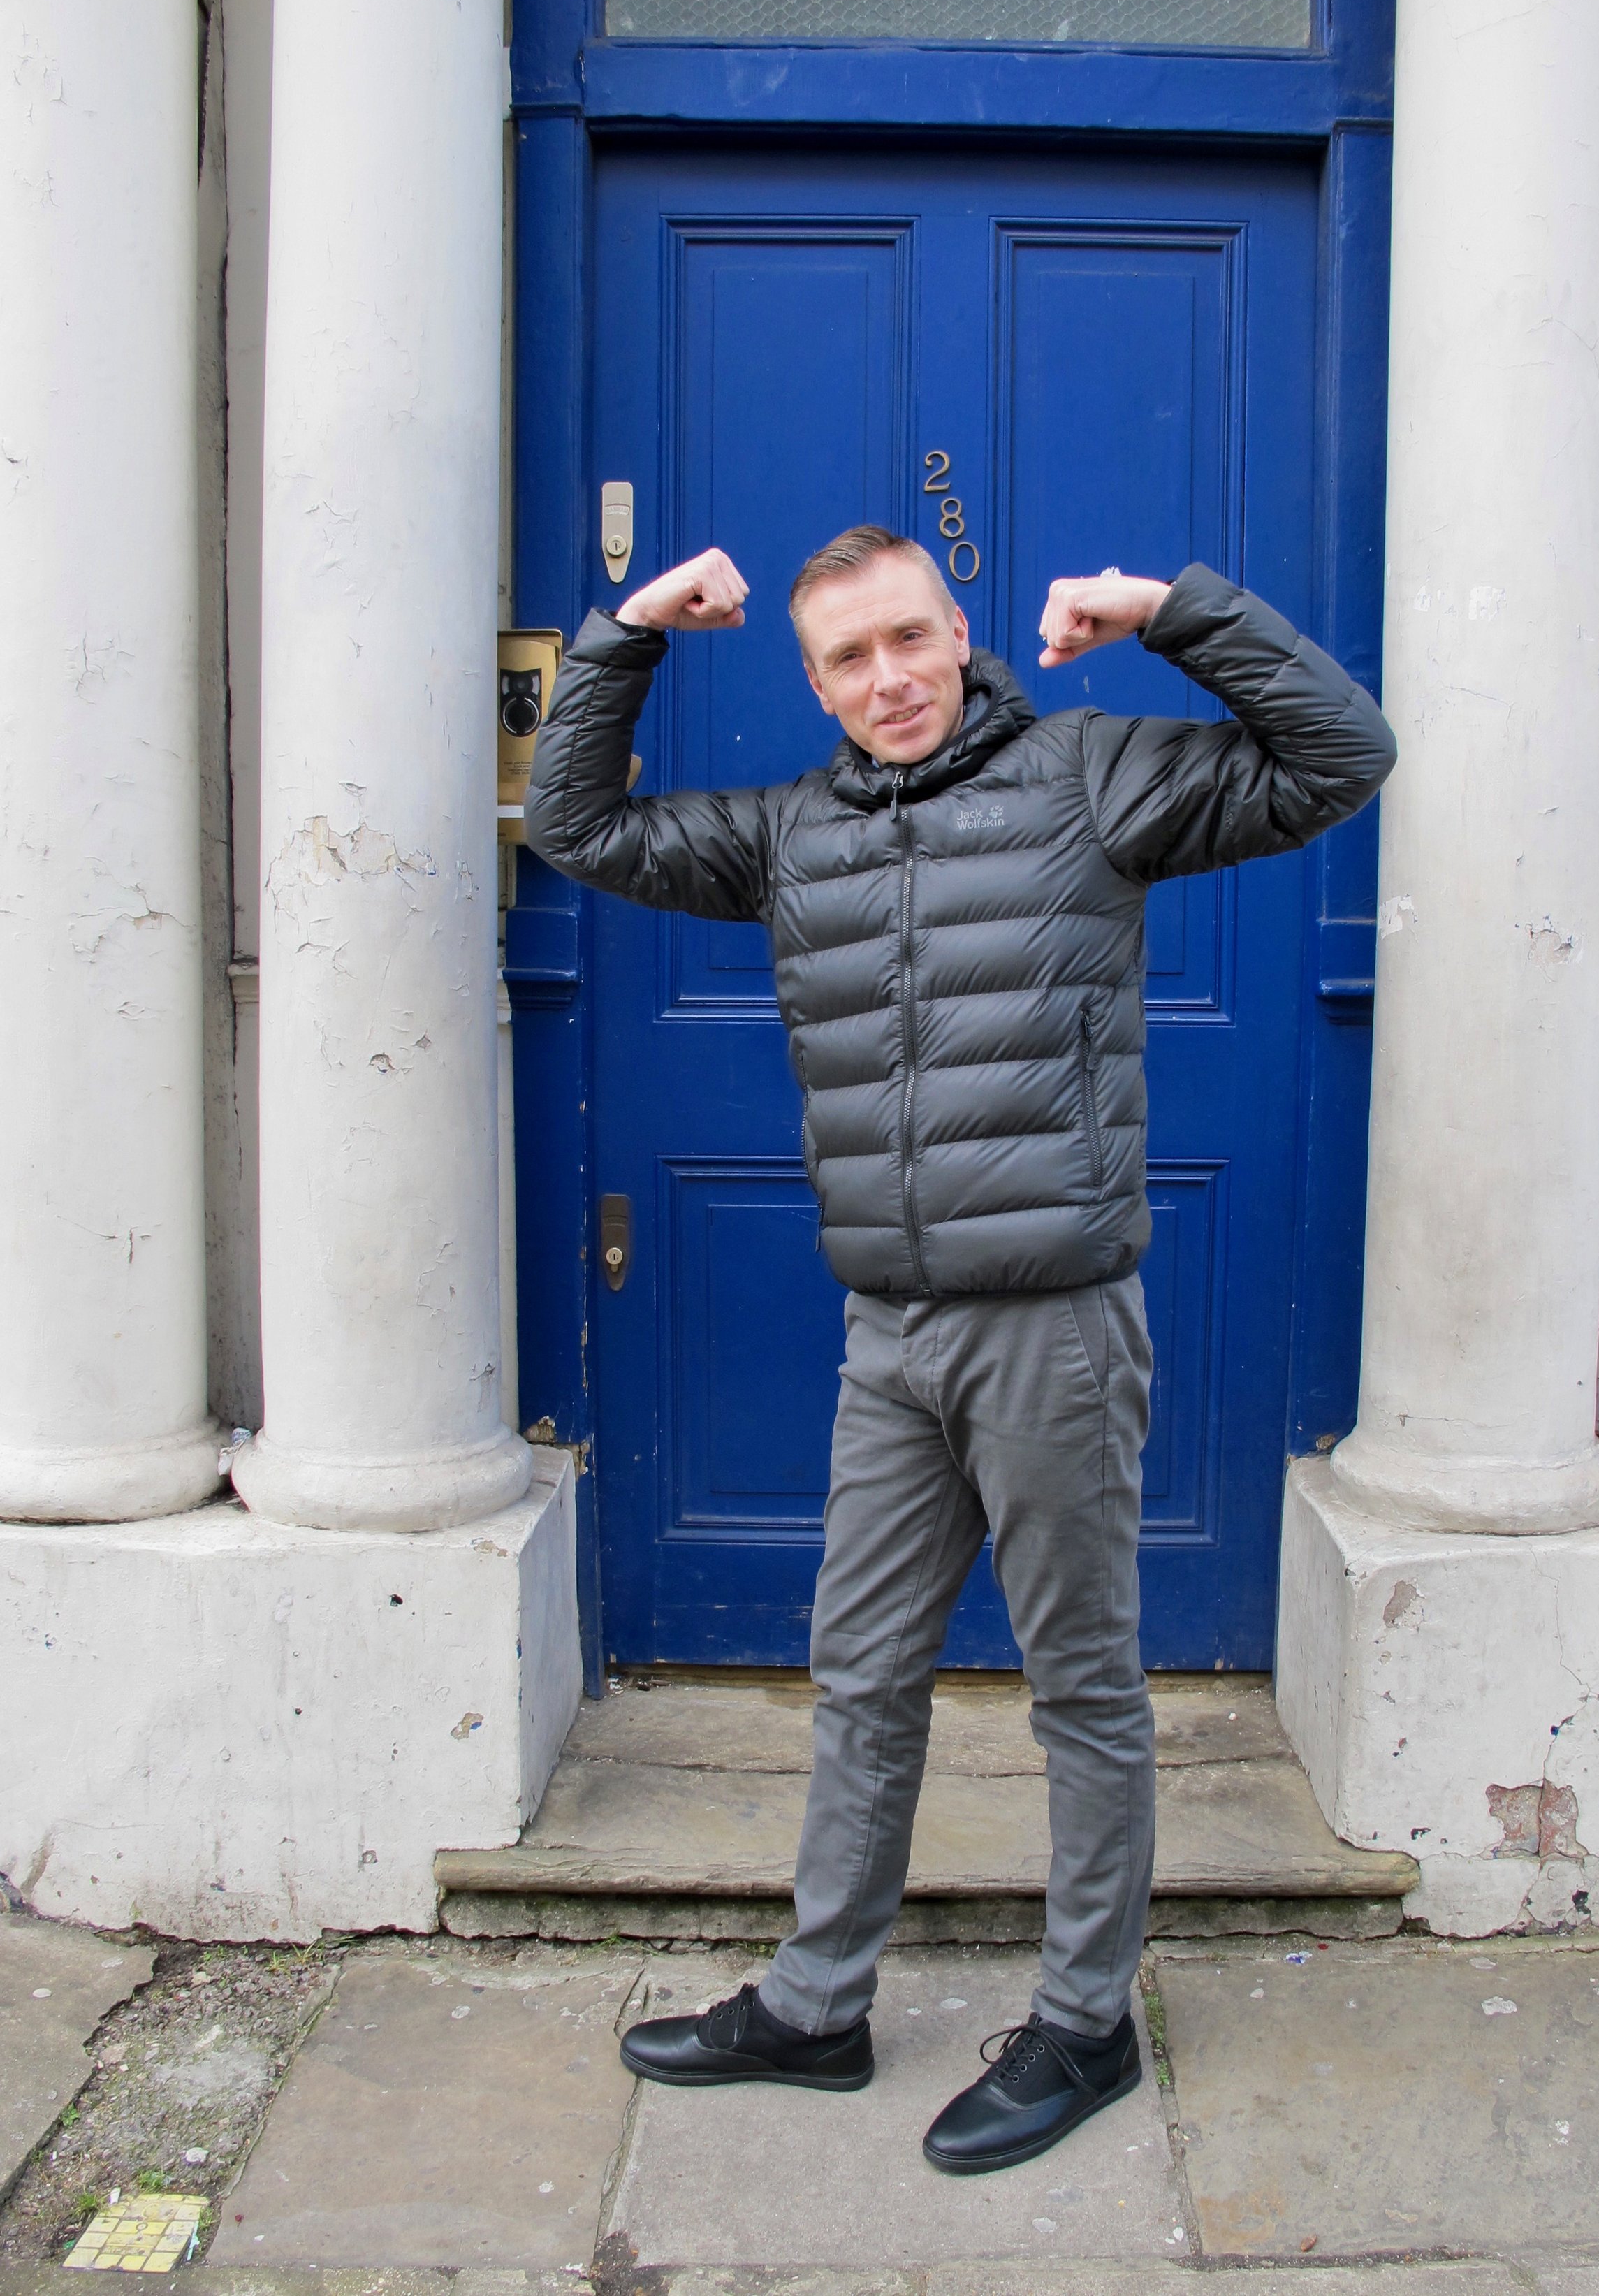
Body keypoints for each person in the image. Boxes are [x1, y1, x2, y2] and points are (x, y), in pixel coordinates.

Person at [524, 526, 1394, 2174]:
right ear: (811, 680)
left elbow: (1339, 752)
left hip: (1055, 1324)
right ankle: (816, 1998)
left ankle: (1083, 2022)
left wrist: (1167, 613)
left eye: (908, 639)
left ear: (959, 628)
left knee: (1078, 1685)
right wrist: (628, 631)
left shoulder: (1089, 780)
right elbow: (572, 821)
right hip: (888, 1331)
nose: (888, 679)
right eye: (846, 658)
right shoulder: (793, 836)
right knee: (857, 1674)